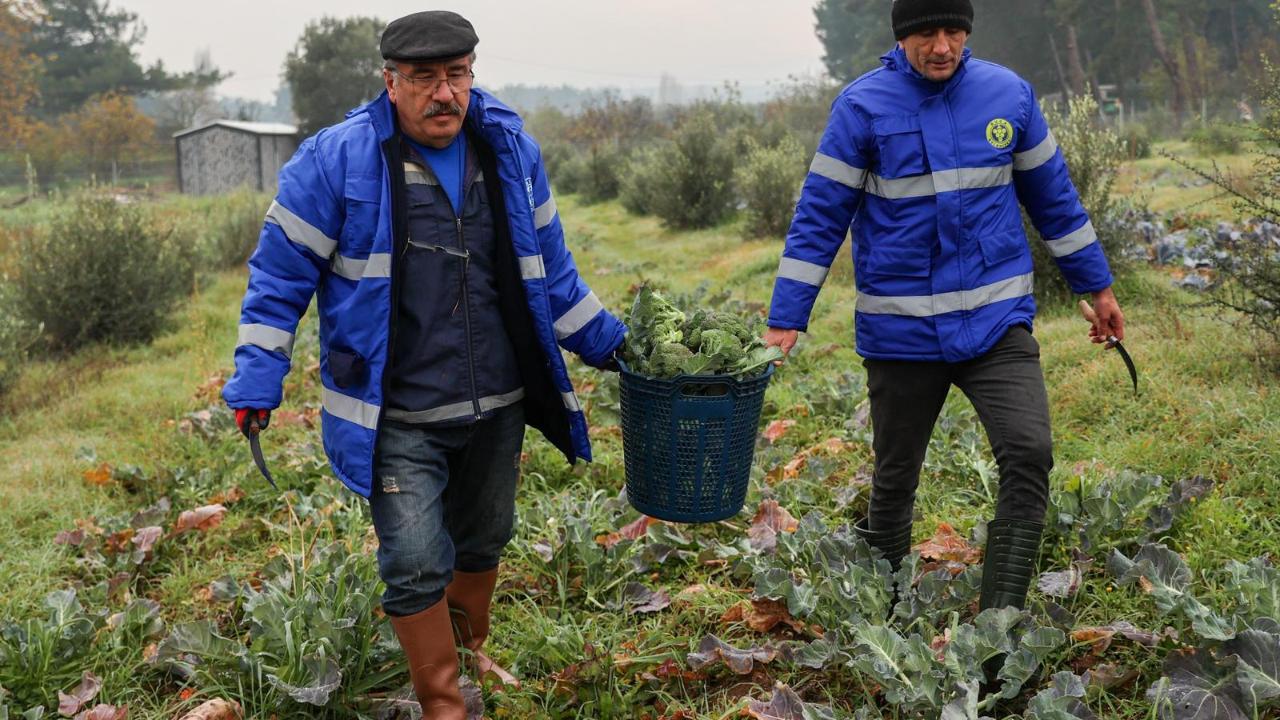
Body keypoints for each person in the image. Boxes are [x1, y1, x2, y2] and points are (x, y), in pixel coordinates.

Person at [221, 10, 625, 717]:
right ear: (391, 82)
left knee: (483, 539)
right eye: (425, 79)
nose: (444, 94)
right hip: (396, 412)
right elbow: (278, 279)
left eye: (457, 76)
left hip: (496, 398)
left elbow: (552, 275)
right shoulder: (334, 161)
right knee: (413, 561)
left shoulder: (508, 151)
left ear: (473, 74)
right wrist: (258, 377)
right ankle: (442, 701)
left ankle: (468, 657)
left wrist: (623, 348)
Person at [764, 0, 1125, 620]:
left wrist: (1097, 289)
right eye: (927, 32)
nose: (942, 45)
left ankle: (1001, 623)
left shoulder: (1008, 96)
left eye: (954, 30)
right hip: (901, 334)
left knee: (1029, 452)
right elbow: (819, 218)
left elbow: (1056, 202)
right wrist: (785, 320)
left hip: (996, 324)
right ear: (903, 36)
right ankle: (885, 613)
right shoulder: (862, 107)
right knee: (896, 475)